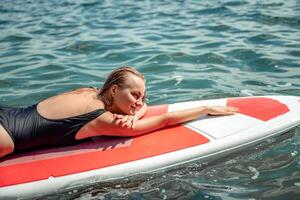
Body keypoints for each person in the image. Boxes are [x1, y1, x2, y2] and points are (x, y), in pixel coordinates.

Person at [0, 67, 238, 158]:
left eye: (142, 97)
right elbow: (164, 121)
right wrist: (205, 108)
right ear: (114, 90)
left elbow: (141, 108)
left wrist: (135, 110)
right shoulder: (103, 120)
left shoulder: (89, 92)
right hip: (5, 137)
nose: (140, 102)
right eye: (135, 95)